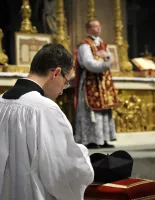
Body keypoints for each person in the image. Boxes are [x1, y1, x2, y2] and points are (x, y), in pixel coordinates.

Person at [0, 43, 94, 200]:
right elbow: (62, 172)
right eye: (66, 81)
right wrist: (83, 156)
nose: (62, 90)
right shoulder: (44, 109)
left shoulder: (1, 101)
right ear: (56, 73)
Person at [74, 19, 118, 149]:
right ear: (88, 29)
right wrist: (105, 63)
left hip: (103, 83)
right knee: (91, 111)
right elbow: (89, 64)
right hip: (90, 81)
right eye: (95, 26)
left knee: (104, 110)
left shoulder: (103, 45)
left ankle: (104, 139)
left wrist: (105, 58)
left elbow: (112, 59)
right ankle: (91, 140)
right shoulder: (84, 45)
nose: (98, 29)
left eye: (99, 26)